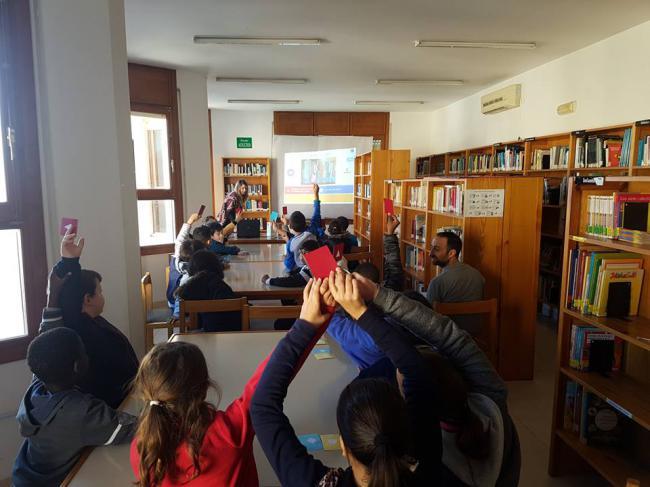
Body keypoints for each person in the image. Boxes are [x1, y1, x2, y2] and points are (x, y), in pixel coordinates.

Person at [250, 274, 440, 487]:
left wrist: (307, 324)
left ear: (343, 446)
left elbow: (262, 406)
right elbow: (414, 367)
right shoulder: (429, 465)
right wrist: (359, 312)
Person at [352, 274, 521, 487]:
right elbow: (451, 337)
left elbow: (450, 338)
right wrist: (378, 295)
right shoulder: (492, 398)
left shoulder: (420, 457)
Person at [129, 339, 269, 486]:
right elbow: (271, 377)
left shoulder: (143, 448)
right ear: (204, 390)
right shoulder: (229, 432)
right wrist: (296, 332)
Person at [13, 328, 136, 486]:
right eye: (84, 351)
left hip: (23, 478)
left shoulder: (35, 387)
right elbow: (132, 429)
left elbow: (43, 347)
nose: (88, 355)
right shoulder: (81, 411)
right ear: (77, 366)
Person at [49, 231, 139, 409]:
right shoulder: (80, 328)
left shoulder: (93, 321)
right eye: (100, 291)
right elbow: (69, 299)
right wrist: (69, 262)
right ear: (87, 299)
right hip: (116, 406)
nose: (103, 296)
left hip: (129, 394)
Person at [427, 231, 485, 335]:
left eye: (436, 249)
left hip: (447, 339)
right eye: (431, 247)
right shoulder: (478, 275)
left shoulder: (437, 282)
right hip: (474, 338)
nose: (430, 253)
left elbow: (428, 321)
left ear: (451, 253)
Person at [175, 249, 240, 332]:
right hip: (233, 333)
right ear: (216, 266)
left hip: (205, 334)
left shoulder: (190, 286)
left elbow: (183, 311)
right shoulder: (220, 284)